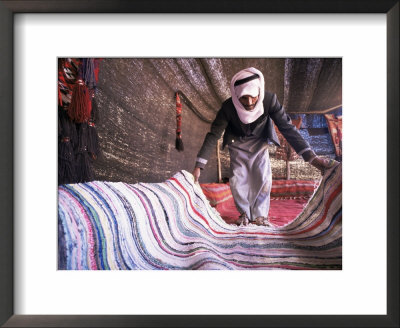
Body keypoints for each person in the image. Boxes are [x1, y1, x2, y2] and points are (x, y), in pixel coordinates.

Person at [192, 67, 332, 227]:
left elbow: (287, 128)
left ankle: (260, 216)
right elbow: (213, 135)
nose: (250, 103)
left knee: (263, 178)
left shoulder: (269, 100)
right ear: (236, 95)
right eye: (244, 98)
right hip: (237, 144)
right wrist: (199, 166)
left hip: (259, 142)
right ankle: (244, 214)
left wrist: (311, 157)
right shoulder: (228, 108)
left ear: (260, 91)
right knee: (239, 179)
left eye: (253, 97)